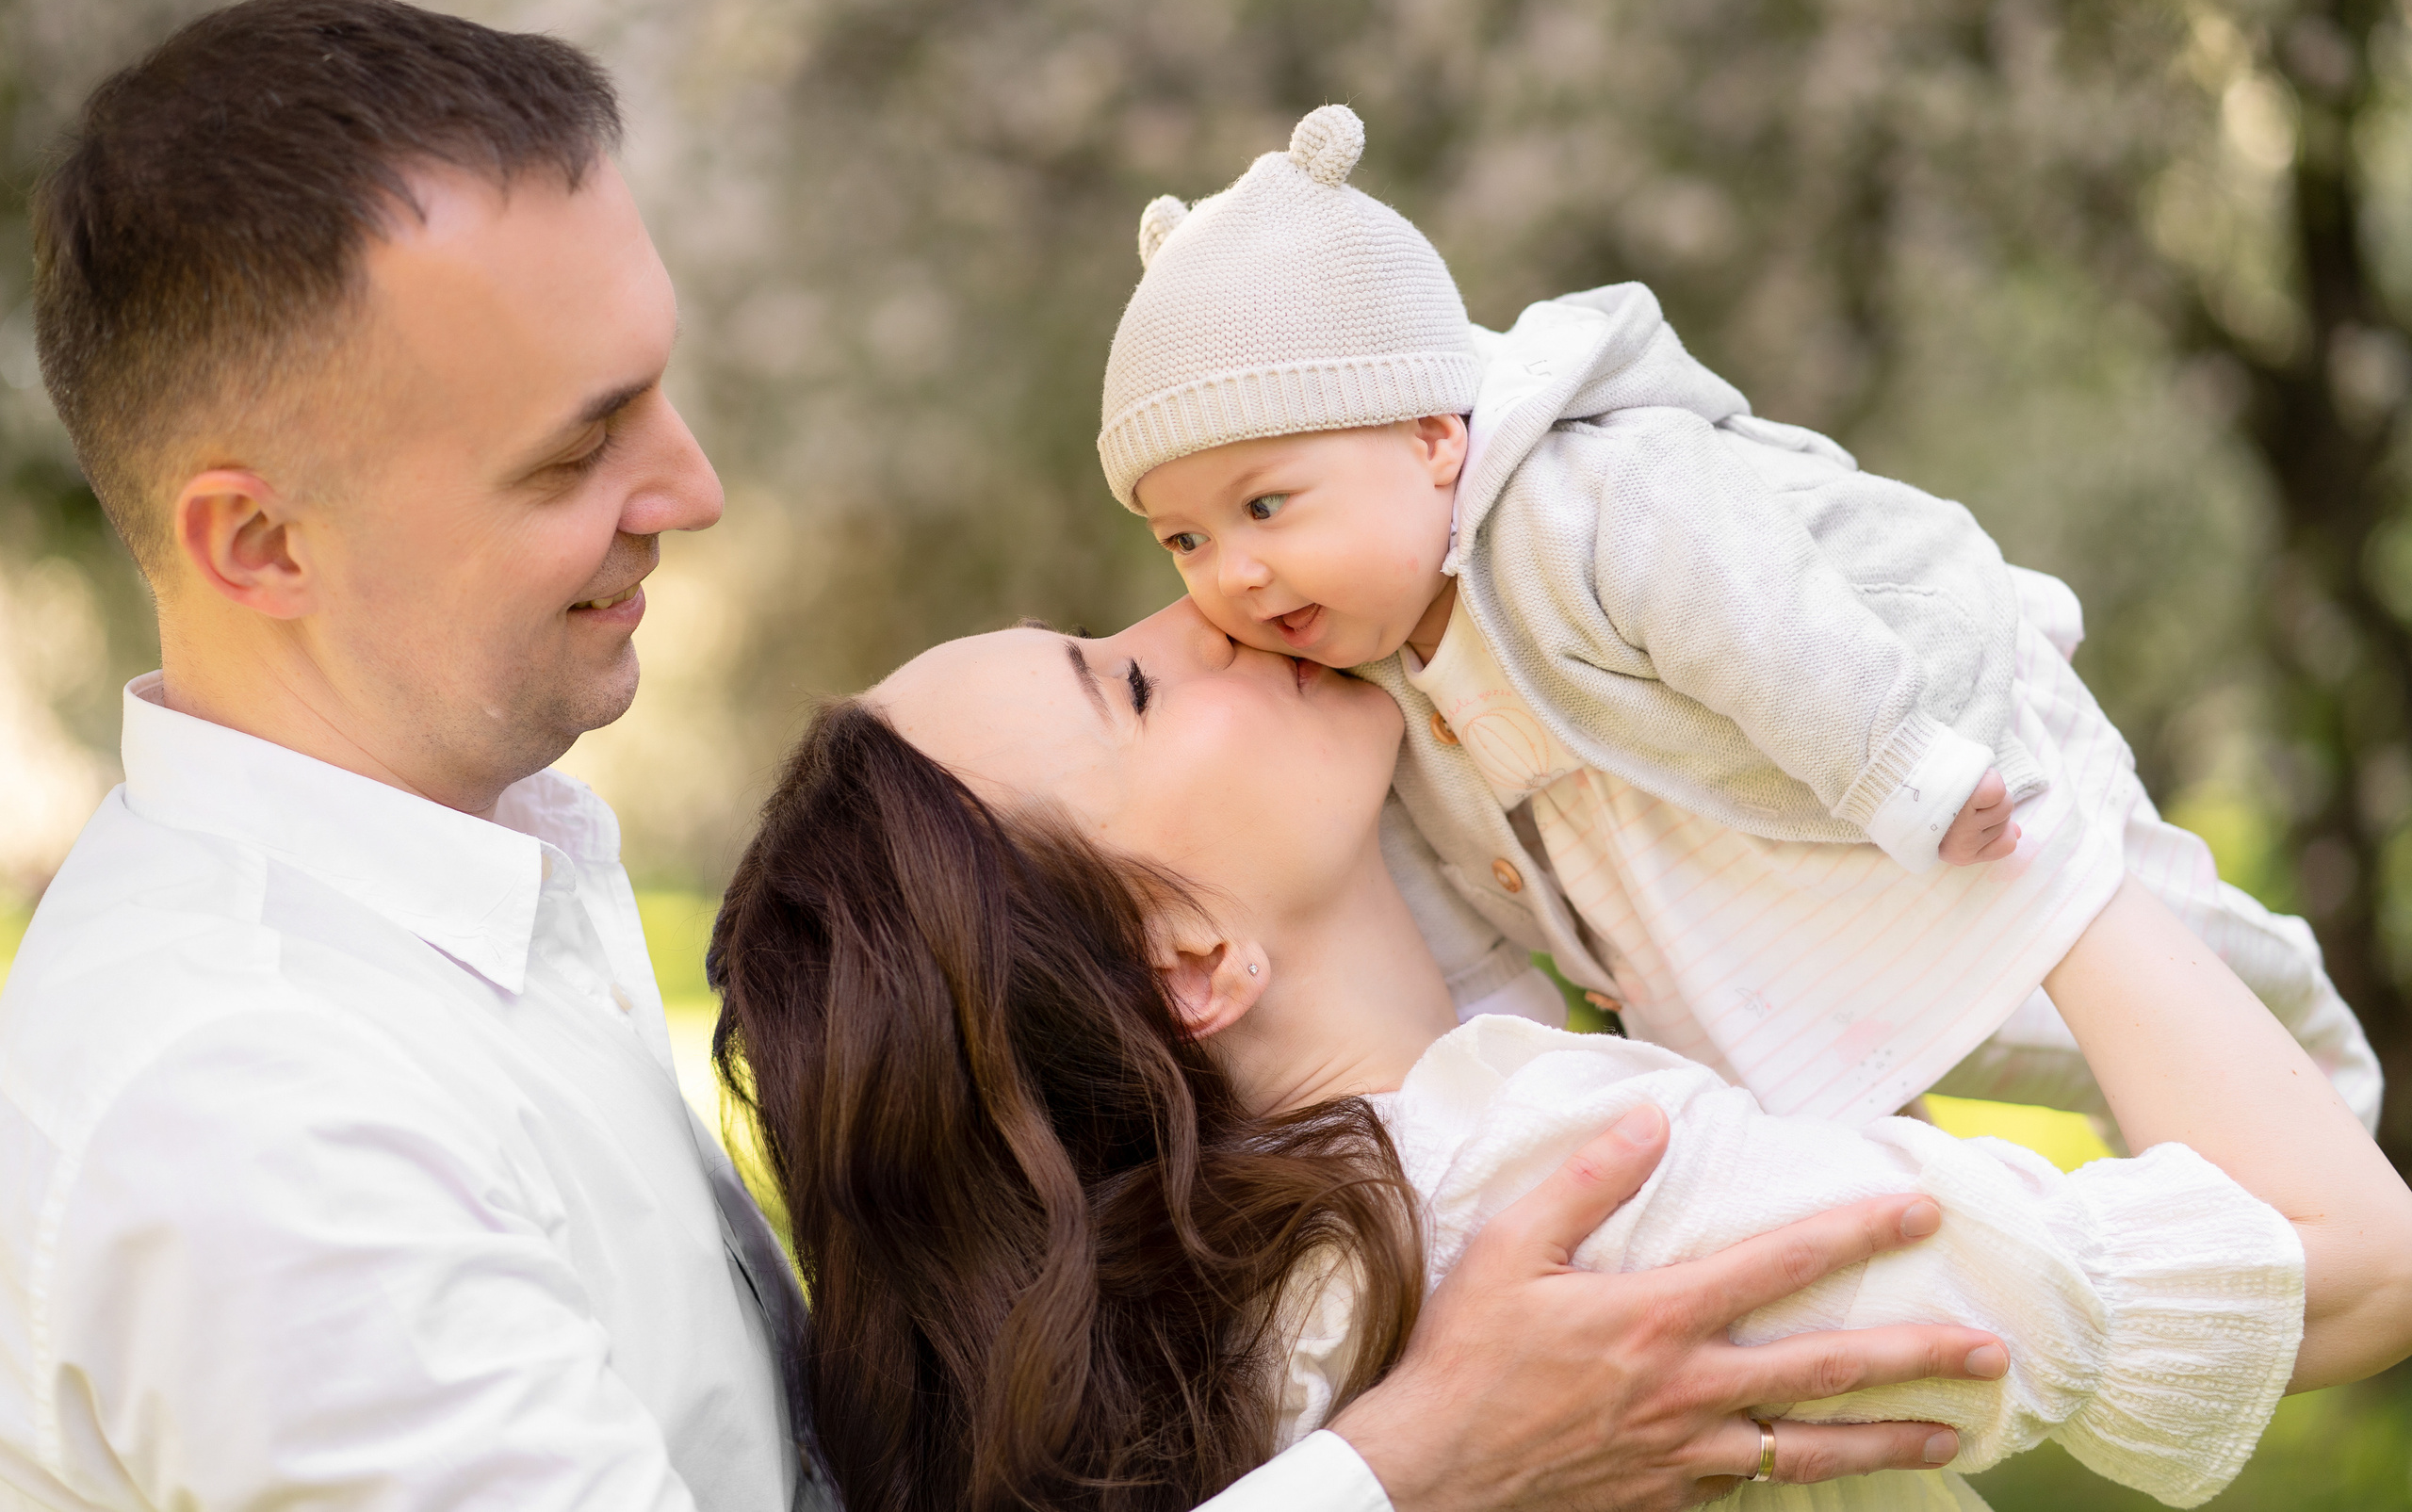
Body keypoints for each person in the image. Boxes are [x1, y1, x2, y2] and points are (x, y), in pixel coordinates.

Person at [0, 0, 2011, 1512]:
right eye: (573, 447)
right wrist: (1412, 1464)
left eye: (657, 393)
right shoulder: (251, 1111)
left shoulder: (476, 878)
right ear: (255, 541)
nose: (688, 488)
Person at [707, 598, 2412, 1512]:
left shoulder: (1238, 1307)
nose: (1197, 608)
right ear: (1193, 958)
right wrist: (2024, 801)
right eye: (1132, 691)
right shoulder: (1577, 1205)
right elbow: (2342, 1269)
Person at [1096, 105, 2382, 1131]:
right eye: (1187, 541)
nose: (1235, 575)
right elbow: (1457, 894)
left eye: (1267, 505)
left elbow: (1762, 619)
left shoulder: (1580, 502)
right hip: (1736, 900)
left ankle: (2326, 1094)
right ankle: (2093, 1193)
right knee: (1937, 1093)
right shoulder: (1368, 690)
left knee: (2153, 961)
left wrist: (1896, 762)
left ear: (1435, 438)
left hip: (1913, 745)